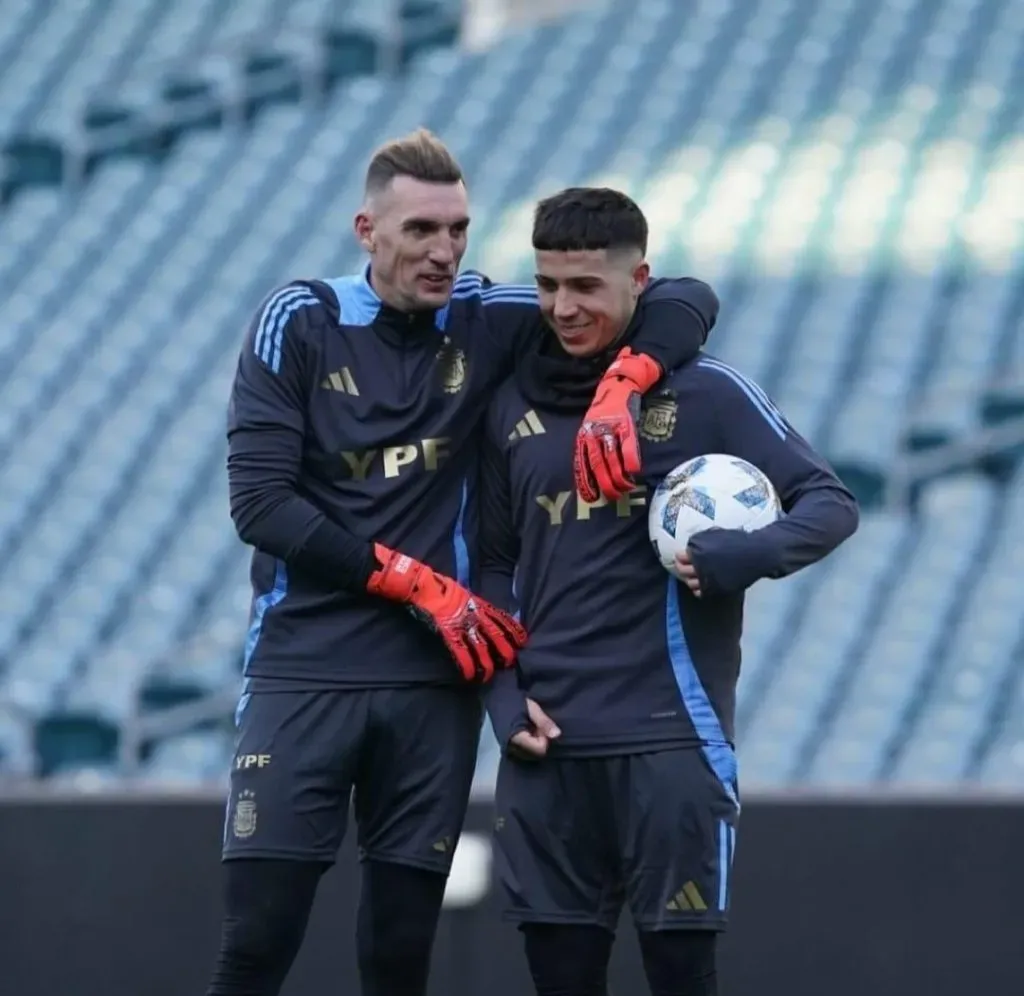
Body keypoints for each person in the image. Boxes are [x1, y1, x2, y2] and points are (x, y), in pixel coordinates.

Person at [206, 131, 720, 996]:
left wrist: (627, 380)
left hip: (432, 680)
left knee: (401, 952)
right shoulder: (300, 320)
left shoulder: (489, 317)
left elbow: (683, 297)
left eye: (459, 229)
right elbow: (260, 505)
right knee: (258, 940)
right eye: (421, 231)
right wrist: (414, 582)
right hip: (305, 667)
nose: (444, 250)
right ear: (367, 229)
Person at [480, 186, 860, 996]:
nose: (561, 306)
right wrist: (504, 698)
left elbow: (831, 504)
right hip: (547, 752)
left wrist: (749, 553)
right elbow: (488, 567)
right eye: (548, 285)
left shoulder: (709, 394)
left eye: (585, 287)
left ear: (639, 281)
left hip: (672, 746)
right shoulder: (511, 401)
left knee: (683, 978)